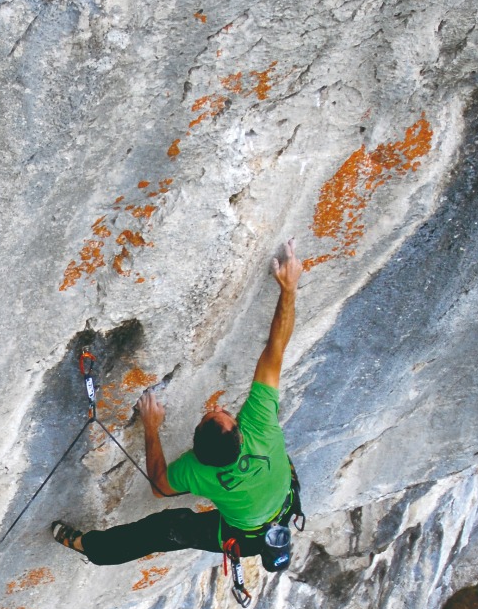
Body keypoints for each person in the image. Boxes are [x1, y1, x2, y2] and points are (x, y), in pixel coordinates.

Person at [53, 241, 302, 573]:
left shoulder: (196, 471)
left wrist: (151, 429)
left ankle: (93, 548)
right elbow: (276, 349)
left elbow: (160, 486)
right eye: (222, 414)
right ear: (239, 434)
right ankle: (94, 547)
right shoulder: (260, 425)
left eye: (215, 414)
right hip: (281, 507)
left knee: (165, 530)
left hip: (247, 535)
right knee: (174, 526)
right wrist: (288, 288)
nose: (220, 408)